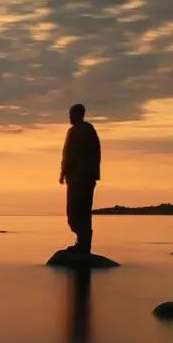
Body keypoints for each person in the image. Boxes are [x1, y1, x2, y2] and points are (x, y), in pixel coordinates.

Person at [59, 103, 101, 253]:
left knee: (75, 212)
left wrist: (63, 173)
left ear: (78, 114)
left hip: (79, 179)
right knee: (82, 212)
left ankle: (83, 245)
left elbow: (69, 155)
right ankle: (83, 244)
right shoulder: (89, 130)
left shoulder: (78, 131)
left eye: (71, 114)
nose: (69, 117)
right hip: (86, 178)